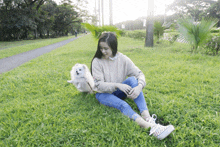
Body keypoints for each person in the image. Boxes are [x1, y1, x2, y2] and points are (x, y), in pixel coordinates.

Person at [91, 32, 174, 140]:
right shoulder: (97, 61)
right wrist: (118, 85)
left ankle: (147, 117)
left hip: (118, 92)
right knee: (123, 105)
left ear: (113, 47)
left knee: (132, 80)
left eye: (106, 48)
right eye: (101, 48)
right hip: (103, 94)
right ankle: (150, 127)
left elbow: (140, 74)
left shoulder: (123, 59)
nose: (103, 51)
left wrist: (139, 87)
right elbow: (99, 85)